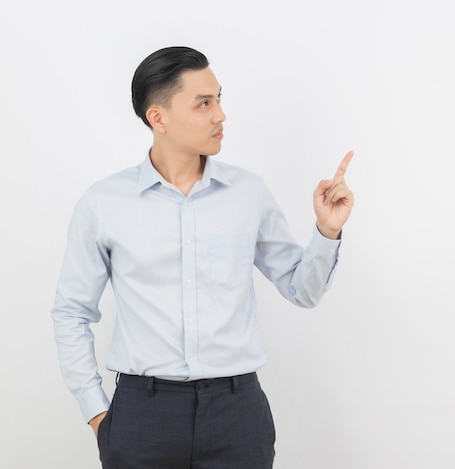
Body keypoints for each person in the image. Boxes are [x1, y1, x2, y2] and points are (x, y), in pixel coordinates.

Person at [50, 45, 354, 468]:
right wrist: (98, 414)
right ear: (158, 118)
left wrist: (327, 230)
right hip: (142, 415)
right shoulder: (104, 203)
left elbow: (302, 290)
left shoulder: (248, 194)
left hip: (238, 414)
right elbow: (71, 311)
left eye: (219, 99)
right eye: (203, 103)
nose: (220, 115)